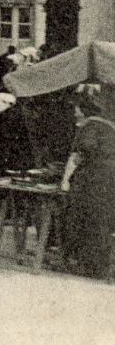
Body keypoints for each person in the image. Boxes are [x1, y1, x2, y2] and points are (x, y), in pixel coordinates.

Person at [59, 92, 115, 278]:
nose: (75, 113)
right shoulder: (109, 127)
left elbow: (79, 154)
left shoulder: (88, 126)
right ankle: (100, 266)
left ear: (82, 110)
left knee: (87, 219)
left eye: (76, 109)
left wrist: (66, 181)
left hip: (95, 179)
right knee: (103, 221)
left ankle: (88, 266)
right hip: (110, 180)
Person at [0, 91, 36, 177]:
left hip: (13, 159)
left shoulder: (12, 117)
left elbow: (3, 137)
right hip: (6, 155)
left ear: (8, 104)